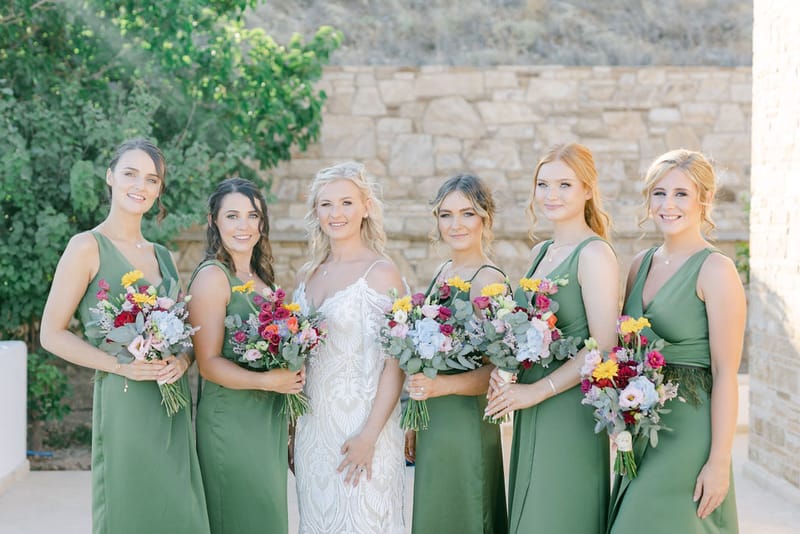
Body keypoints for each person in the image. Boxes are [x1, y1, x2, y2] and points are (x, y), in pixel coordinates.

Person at [40, 138, 210, 534]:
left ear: (159, 189)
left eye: (152, 179)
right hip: (126, 398)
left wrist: (183, 360)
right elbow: (51, 334)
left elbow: (185, 335)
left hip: (172, 402)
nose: (140, 185)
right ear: (110, 177)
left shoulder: (163, 255)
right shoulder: (86, 247)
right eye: (130, 173)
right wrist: (120, 366)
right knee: (131, 509)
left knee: (181, 512)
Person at [485, 143, 619, 534]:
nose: (551, 195)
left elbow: (604, 348)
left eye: (564, 185)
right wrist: (504, 369)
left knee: (557, 515)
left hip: (568, 410)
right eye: (543, 184)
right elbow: (524, 327)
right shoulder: (541, 252)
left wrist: (536, 391)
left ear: (587, 189)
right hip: (530, 404)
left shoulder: (594, 254)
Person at [608, 149, 744, 533]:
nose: (668, 204)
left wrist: (719, 462)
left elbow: (725, 374)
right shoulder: (640, 264)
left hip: (690, 434)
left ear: (705, 198)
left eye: (681, 193)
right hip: (642, 429)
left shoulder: (716, 269)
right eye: (659, 193)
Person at [187, 178, 305, 534]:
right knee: (239, 518)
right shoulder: (213, 277)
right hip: (231, 423)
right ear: (214, 221)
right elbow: (208, 364)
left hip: (266, 422)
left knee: (266, 519)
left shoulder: (262, 279)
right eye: (232, 216)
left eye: (252, 216)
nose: (243, 226)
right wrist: (269, 381)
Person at [293, 161, 406, 533]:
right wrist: (293, 431)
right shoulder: (308, 274)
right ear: (316, 212)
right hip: (314, 434)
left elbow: (396, 364)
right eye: (326, 204)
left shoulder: (382, 272)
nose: (335, 213)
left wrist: (369, 436)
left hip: (363, 430)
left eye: (346, 202)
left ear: (366, 207)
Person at [404, 173, 508, 534]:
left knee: (467, 514)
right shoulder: (443, 272)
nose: (455, 224)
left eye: (467, 213)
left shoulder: (488, 281)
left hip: (467, 422)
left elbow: (499, 371)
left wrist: (439, 388)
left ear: (485, 218)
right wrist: (415, 420)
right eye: (446, 215)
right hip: (434, 420)